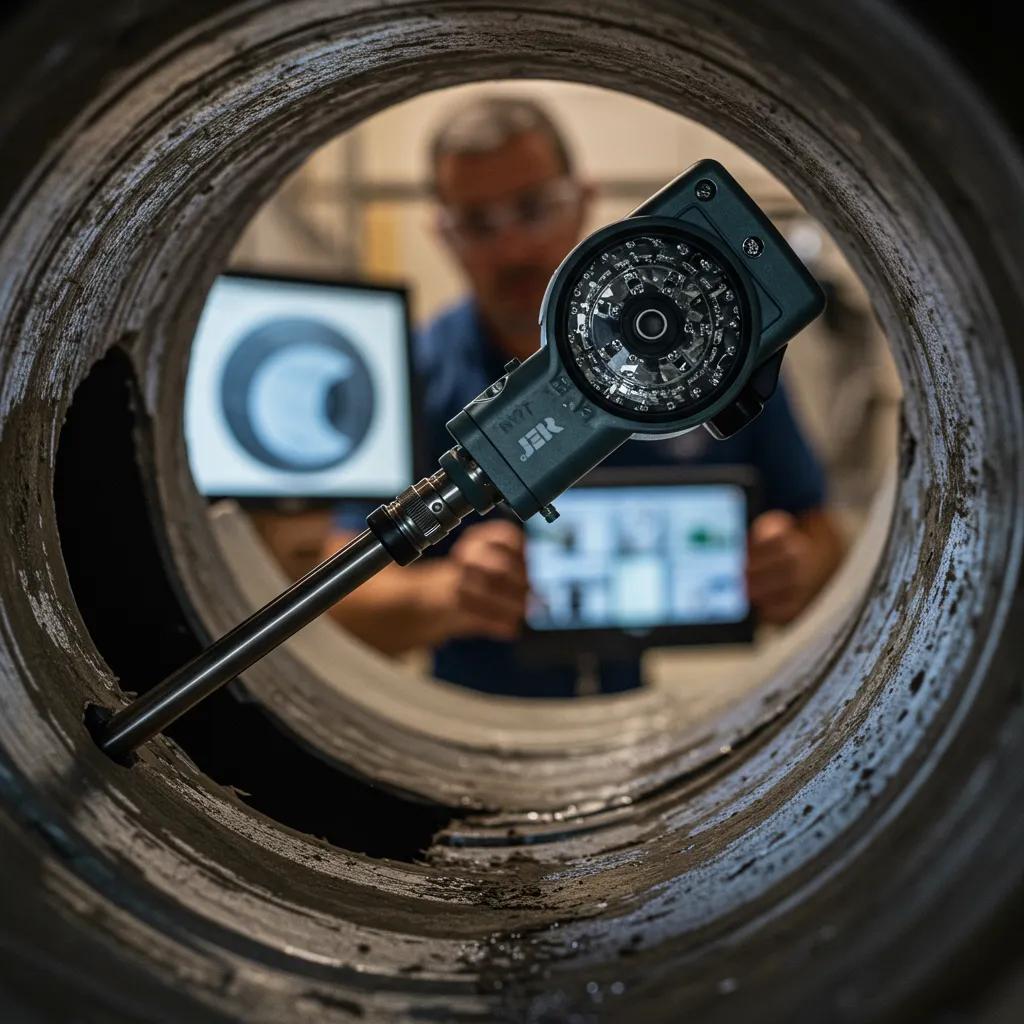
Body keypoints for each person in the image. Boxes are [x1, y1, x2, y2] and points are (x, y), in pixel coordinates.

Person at [325, 96, 844, 697]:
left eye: (534, 208)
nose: (514, 249)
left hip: (658, 712)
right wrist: (448, 596)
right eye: (478, 223)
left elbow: (821, 530)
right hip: (475, 719)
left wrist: (794, 570)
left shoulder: (711, 358)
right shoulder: (414, 374)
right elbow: (343, 598)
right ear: (443, 233)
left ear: (583, 200)